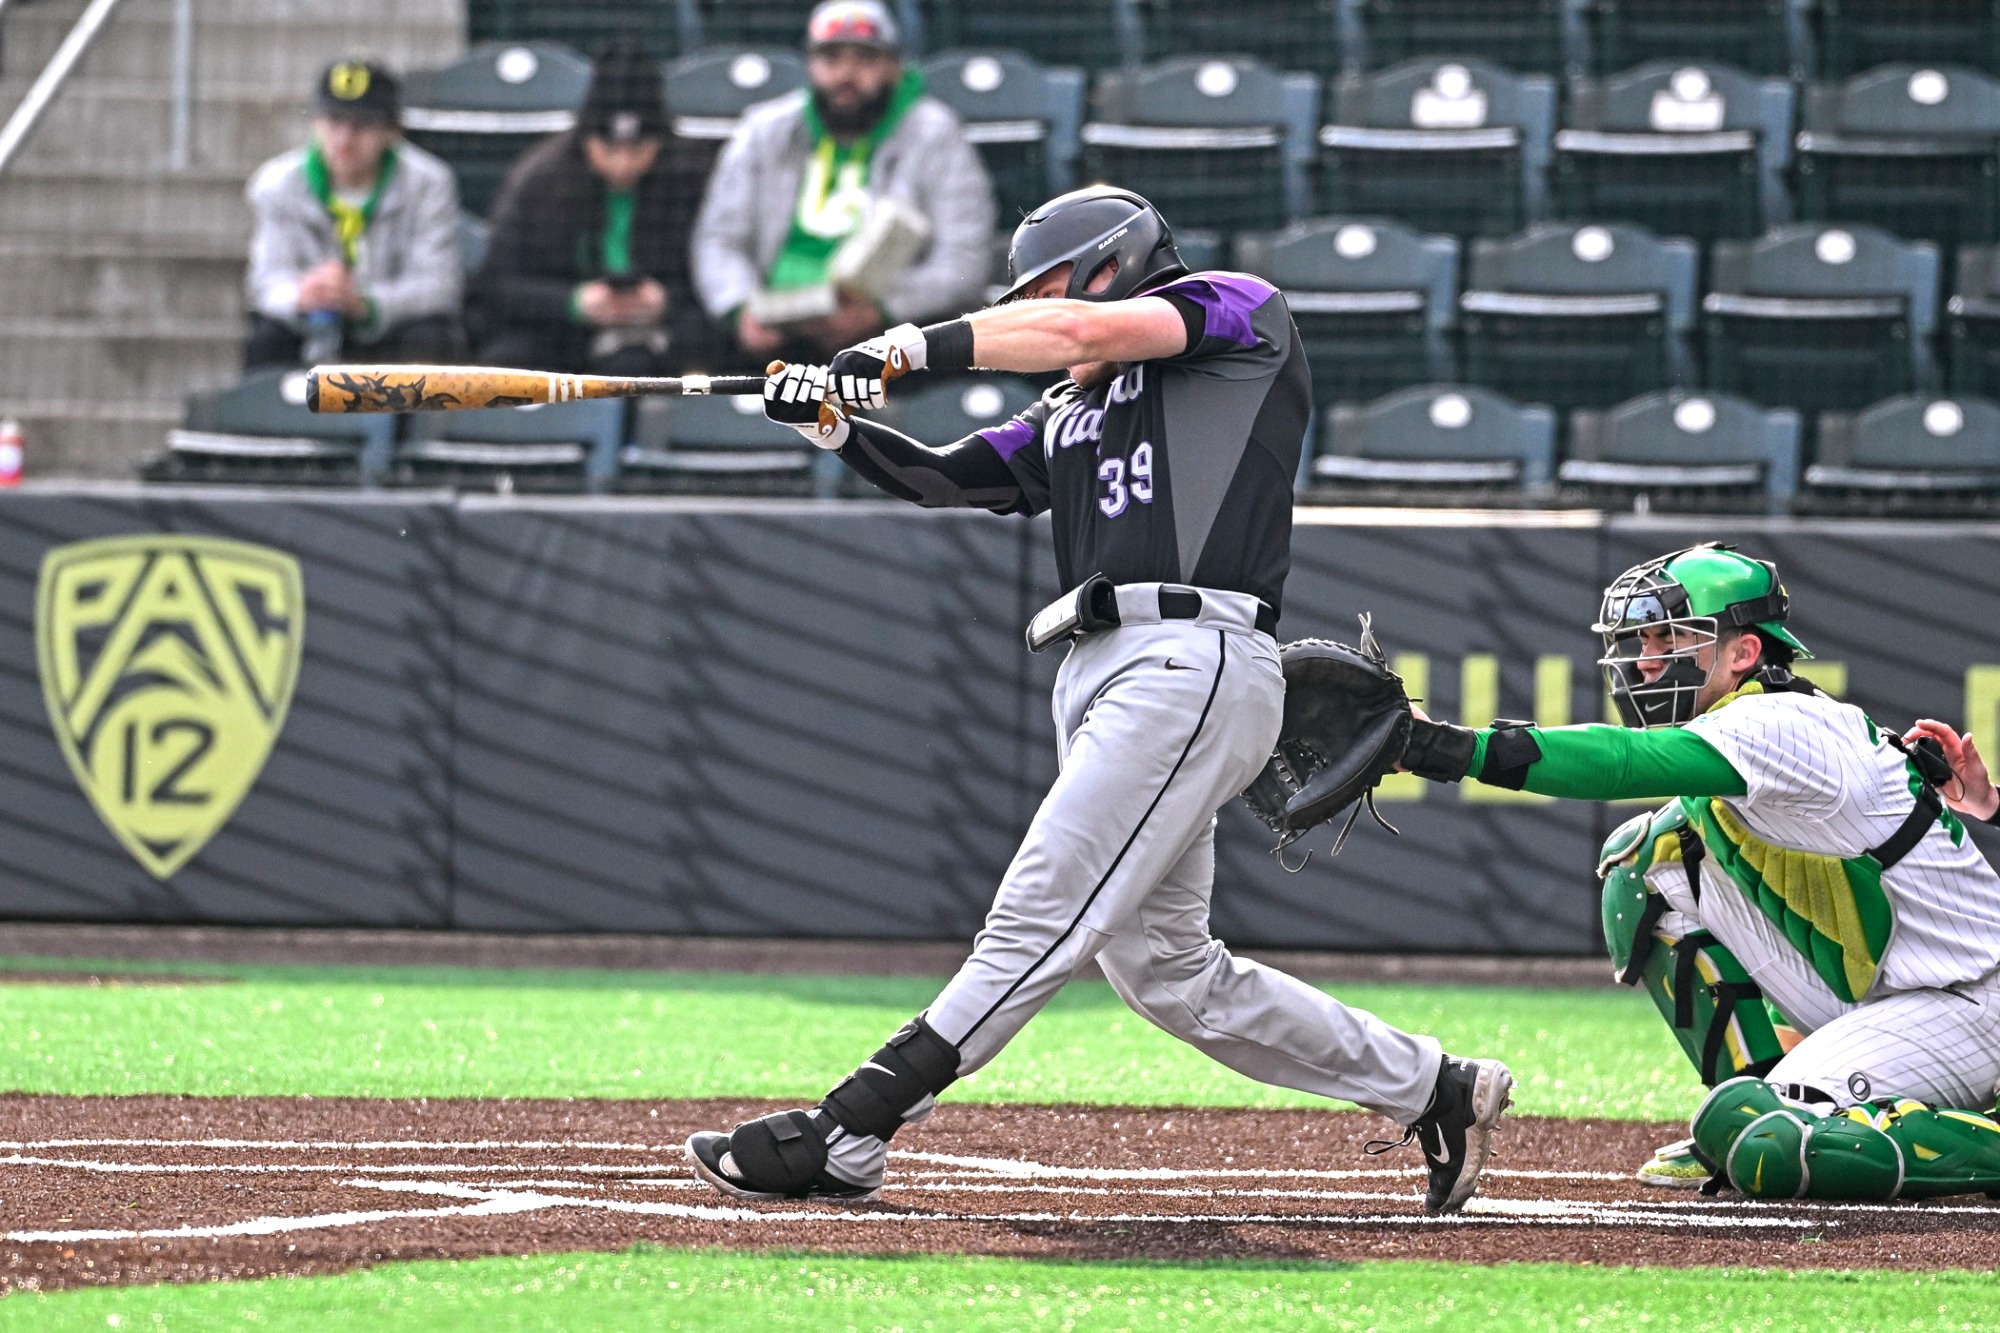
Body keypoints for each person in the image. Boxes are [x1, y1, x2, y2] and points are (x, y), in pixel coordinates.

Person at [682, 186, 1514, 1217]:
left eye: (1042, 289)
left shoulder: (1233, 309)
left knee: (1038, 914)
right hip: (1103, 666)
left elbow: (1067, 328)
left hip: (1188, 654)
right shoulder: (1071, 405)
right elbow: (947, 479)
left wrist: (891, 350)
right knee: (1169, 972)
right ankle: (1432, 1086)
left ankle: (849, 1129)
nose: (1033, 313)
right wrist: (830, 423)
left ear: (1112, 266)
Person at [1393, 543, 2000, 1201]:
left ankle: (1795, 1115)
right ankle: (1759, 1094)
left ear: (1743, 653)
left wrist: (1450, 748)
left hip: (1970, 1000)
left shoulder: (1779, 723)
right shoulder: (1765, 716)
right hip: (1893, 986)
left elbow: (1624, 761)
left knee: (1771, 1144)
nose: (1648, 658)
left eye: (1674, 636)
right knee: (1650, 858)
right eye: (1643, 638)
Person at [689, 0, 994, 370]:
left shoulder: (936, 133)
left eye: (865, 59)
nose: (846, 75)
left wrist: (882, 310)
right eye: (831, 59)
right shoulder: (763, 130)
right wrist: (741, 308)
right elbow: (719, 239)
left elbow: (965, 260)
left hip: (890, 333)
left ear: (893, 67)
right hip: (775, 325)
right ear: (810, 65)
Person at [476, 41, 711, 376]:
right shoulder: (541, 178)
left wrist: (666, 302)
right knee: (509, 363)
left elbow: (719, 277)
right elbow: (498, 284)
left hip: (661, 338)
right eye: (608, 148)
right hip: (559, 332)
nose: (623, 164)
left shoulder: (692, 176)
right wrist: (573, 303)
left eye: (639, 148)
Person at [244, 59, 464, 370]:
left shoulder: (430, 182)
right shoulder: (276, 184)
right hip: (310, 322)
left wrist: (365, 303)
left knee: (431, 339)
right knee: (268, 339)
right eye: (334, 122)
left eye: (361, 126)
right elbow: (266, 282)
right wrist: (304, 294)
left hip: (393, 328)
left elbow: (440, 285)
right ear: (316, 124)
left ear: (392, 132)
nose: (344, 140)